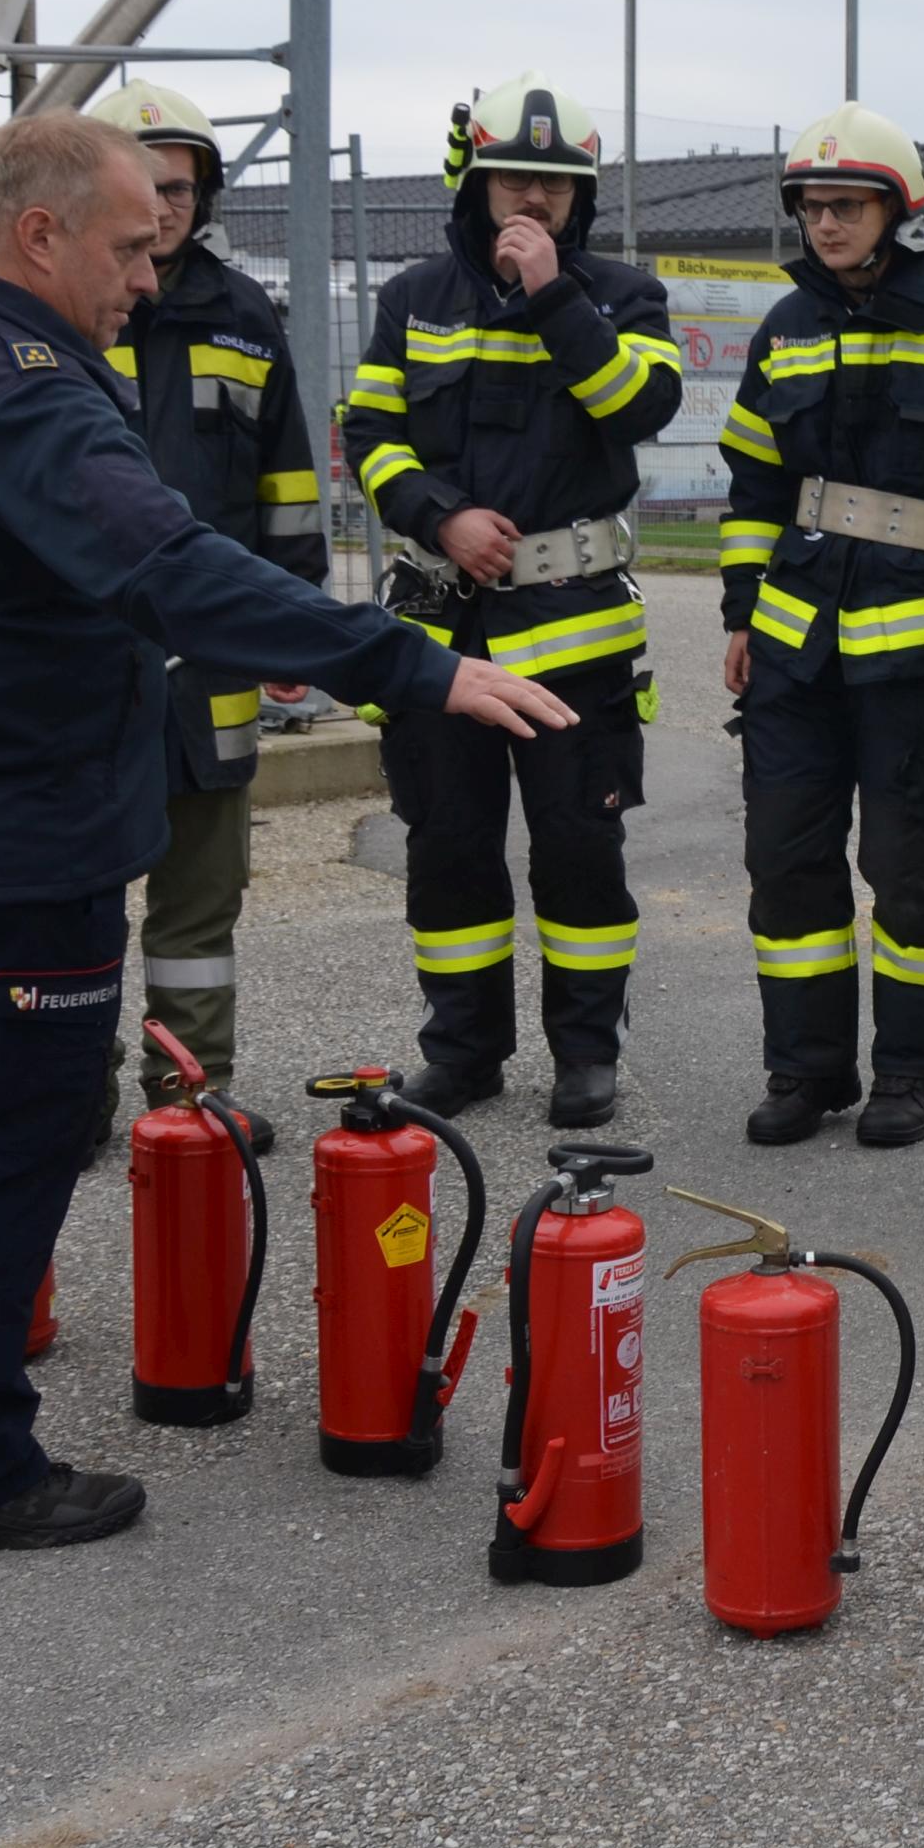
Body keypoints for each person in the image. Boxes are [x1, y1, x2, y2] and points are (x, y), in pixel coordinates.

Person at [0, 112, 566, 1556]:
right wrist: (417, 664)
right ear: (39, 236)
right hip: (26, 823)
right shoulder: (20, 390)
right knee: (12, 1133)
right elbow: (167, 567)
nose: (148, 280)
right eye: (129, 247)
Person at [715, 103, 924, 1148]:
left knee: (908, 870)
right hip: (795, 648)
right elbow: (754, 487)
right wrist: (740, 613)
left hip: (921, 653)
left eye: (845, 205)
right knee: (787, 860)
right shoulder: (785, 329)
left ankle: (909, 1069)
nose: (825, 224)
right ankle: (805, 1070)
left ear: (897, 210)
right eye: (812, 207)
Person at [343, 74, 680, 1126]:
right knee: (447, 847)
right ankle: (463, 1050)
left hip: (571, 630)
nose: (532, 198)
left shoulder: (622, 296)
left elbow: (642, 404)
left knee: (580, 852)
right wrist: (438, 514)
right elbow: (368, 434)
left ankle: (585, 1056)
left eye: (556, 184)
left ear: (582, 199)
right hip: (441, 627)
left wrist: (552, 297)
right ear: (477, 181)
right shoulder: (413, 298)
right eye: (513, 179)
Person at [79, 77, 328, 1143]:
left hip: (209, 659)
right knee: (75, 890)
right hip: (82, 658)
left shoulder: (240, 312)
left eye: (180, 185)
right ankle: (68, 1094)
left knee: (199, 898)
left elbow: (285, 481)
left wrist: (295, 626)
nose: (165, 206)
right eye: (144, 186)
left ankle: (187, 1093)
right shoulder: (61, 308)